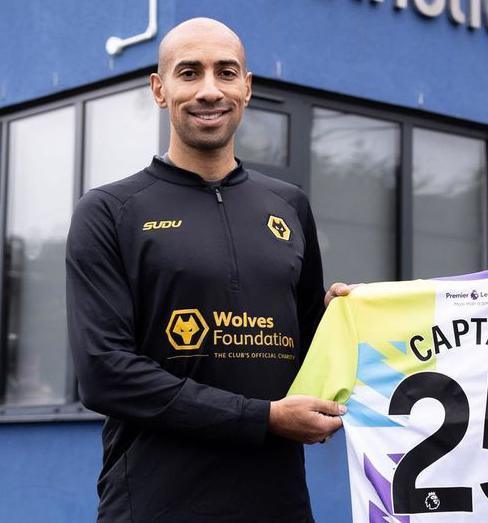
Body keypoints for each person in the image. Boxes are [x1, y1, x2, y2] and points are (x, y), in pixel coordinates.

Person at [66, 18, 343, 523]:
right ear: (159, 89)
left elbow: (312, 351)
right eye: (189, 73)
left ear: (248, 87)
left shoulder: (289, 205)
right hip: (154, 505)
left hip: (278, 504)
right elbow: (105, 375)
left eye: (226, 72)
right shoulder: (109, 211)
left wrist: (351, 320)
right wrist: (264, 419)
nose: (209, 90)